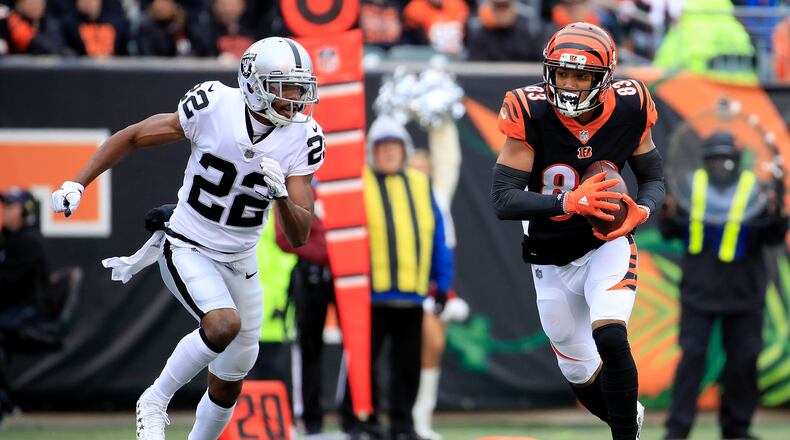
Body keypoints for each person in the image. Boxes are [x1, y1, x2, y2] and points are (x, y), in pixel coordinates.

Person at [51, 36, 324, 440]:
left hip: (241, 258)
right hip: (188, 243)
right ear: (253, 83)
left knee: (231, 377)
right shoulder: (214, 105)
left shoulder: (304, 136)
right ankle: (155, 399)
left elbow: (300, 233)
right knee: (222, 324)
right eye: (284, 87)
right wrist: (78, 182)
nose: (296, 98)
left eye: (300, 87)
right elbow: (133, 136)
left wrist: (281, 195)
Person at [490, 22, 665, 440]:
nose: (569, 83)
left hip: (605, 242)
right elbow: (503, 198)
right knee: (577, 369)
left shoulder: (631, 105)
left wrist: (643, 209)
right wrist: (569, 202)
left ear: (603, 78)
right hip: (549, 254)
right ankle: (628, 420)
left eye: (581, 75)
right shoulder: (528, 110)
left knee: (610, 334)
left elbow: (654, 177)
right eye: (562, 73)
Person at [660, 131, 787, 440]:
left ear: (737, 159)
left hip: (745, 293)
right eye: (715, 158)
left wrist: (777, 212)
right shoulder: (690, 188)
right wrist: (668, 209)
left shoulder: (755, 189)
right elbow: (671, 231)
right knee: (692, 359)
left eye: (726, 158)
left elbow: (771, 235)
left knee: (743, 362)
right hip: (698, 292)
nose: (721, 165)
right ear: (705, 161)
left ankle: (737, 429)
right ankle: (677, 430)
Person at [341, 115, 453, 440]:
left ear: (404, 150)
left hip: (411, 295)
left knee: (407, 367)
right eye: (382, 147)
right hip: (367, 296)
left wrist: (442, 285)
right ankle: (361, 421)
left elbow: (438, 237)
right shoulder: (358, 182)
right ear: (371, 152)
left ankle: (403, 425)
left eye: (394, 147)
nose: (389, 153)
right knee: (363, 365)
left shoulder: (420, 184)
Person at [274, 185, 334, 436]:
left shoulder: (351, 185)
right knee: (307, 349)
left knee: (359, 347)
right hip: (311, 275)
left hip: (349, 277)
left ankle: (358, 419)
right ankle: (309, 421)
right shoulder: (300, 184)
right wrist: (328, 254)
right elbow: (284, 237)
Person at [0, 188, 48, 422]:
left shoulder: (28, 242)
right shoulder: (9, 240)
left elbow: (8, 284)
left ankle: (4, 403)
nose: (6, 211)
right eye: (5, 206)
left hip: (28, 311)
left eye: (11, 206)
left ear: (26, 211)